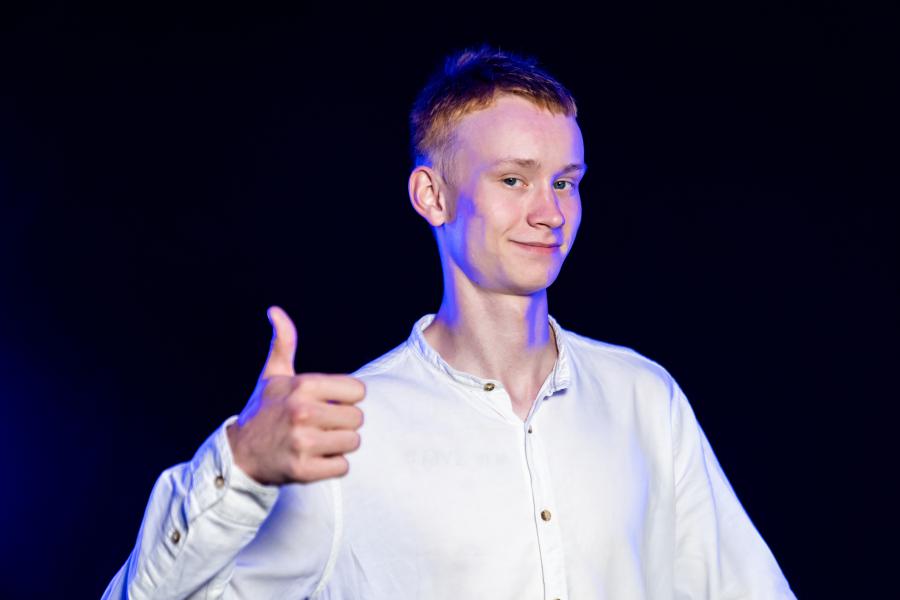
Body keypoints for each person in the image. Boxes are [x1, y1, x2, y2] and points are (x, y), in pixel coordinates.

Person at [104, 48, 796, 599]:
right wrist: (240, 465)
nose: (551, 213)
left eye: (565, 181)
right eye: (514, 180)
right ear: (432, 195)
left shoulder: (644, 398)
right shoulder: (346, 434)